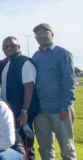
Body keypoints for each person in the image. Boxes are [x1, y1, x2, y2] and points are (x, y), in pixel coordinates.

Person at [32, 23, 76, 160]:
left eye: (45, 33)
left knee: (67, 149)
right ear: (35, 38)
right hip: (41, 111)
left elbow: (69, 81)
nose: (42, 36)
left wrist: (65, 106)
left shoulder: (63, 53)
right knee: (45, 149)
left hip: (60, 110)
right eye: (38, 34)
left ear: (52, 35)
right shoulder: (35, 56)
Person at [0, 36, 38, 160]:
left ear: (18, 47)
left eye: (12, 46)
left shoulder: (25, 62)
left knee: (26, 146)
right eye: (6, 47)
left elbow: (29, 88)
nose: (9, 48)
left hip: (22, 113)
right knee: (14, 146)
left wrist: (24, 111)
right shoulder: (6, 64)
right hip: (10, 112)